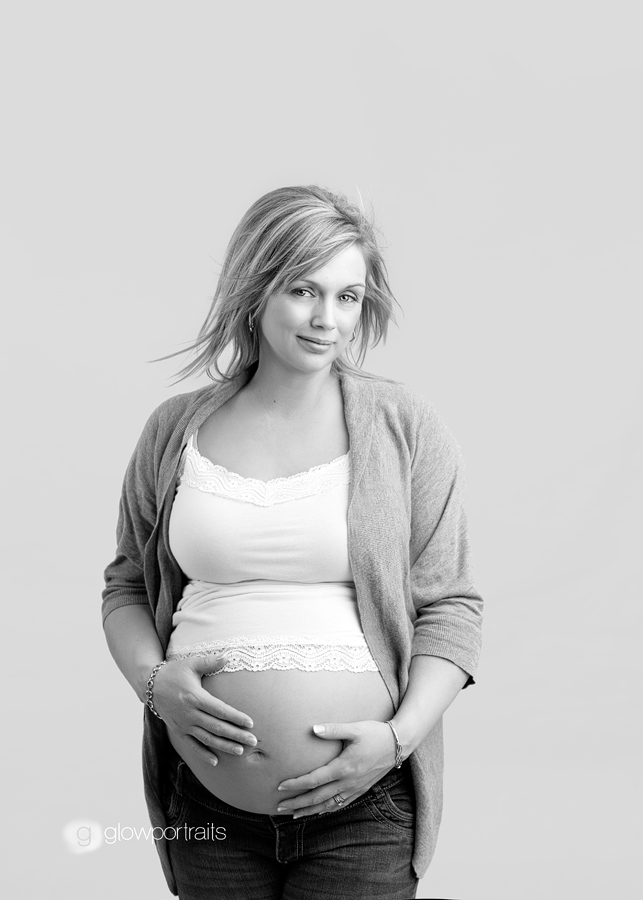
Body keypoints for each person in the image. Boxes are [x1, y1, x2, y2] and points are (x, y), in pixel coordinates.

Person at [102, 184, 483, 900]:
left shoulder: (404, 427)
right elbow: (125, 584)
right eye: (303, 290)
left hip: (365, 808)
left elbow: (451, 608)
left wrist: (395, 740)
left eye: (347, 297)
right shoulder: (174, 430)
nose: (325, 319)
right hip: (207, 811)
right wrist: (155, 687)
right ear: (255, 289)